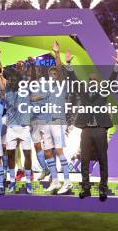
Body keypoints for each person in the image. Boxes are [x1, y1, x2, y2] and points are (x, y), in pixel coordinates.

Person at [68, 49, 118, 202]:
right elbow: (73, 80)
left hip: (100, 129)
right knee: (84, 160)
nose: (92, 82)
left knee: (103, 160)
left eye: (95, 80)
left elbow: (112, 79)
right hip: (85, 130)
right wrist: (68, 64)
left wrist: (117, 64)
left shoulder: (103, 93)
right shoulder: (84, 94)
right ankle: (85, 188)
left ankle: (103, 190)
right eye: (90, 80)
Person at [29, 41, 72, 195]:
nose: (53, 76)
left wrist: (57, 54)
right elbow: (36, 96)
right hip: (46, 122)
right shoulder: (47, 89)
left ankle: (67, 181)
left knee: (59, 150)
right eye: (51, 74)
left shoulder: (62, 85)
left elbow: (60, 70)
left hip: (58, 121)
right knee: (48, 152)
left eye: (55, 74)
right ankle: (54, 181)